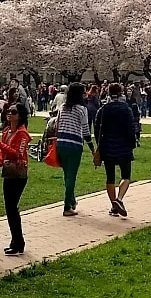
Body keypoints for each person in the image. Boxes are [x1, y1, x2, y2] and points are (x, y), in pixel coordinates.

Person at [0, 102, 31, 255]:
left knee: (12, 208)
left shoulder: (23, 134)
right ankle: (16, 240)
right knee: (9, 208)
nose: (10, 114)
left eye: (13, 112)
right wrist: (0, 162)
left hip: (18, 174)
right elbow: (5, 154)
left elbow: (18, 153)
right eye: (8, 111)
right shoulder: (7, 131)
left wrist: (1, 146)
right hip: (8, 172)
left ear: (20, 116)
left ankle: (18, 241)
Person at [96, 83, 138, 217]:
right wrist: (132, 144)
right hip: (124, 145)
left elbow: (97, 129)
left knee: (110, 177)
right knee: (126, 176)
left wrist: (100, 144)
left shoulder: (103, 110)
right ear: (121, 93)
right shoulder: (126, 109)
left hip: (107, 146)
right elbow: (132, 128)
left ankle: (114, 205)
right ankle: (119, 199)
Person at [55, 83, 95, 217]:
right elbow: (85, 130)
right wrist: (91, 147)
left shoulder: (63, 107)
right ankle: (67, 206)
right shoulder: (82, 109)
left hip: (61, 143)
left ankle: (72, 201)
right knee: (71, 175)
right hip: (74, 144)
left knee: (67, 174)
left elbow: (57, 124)